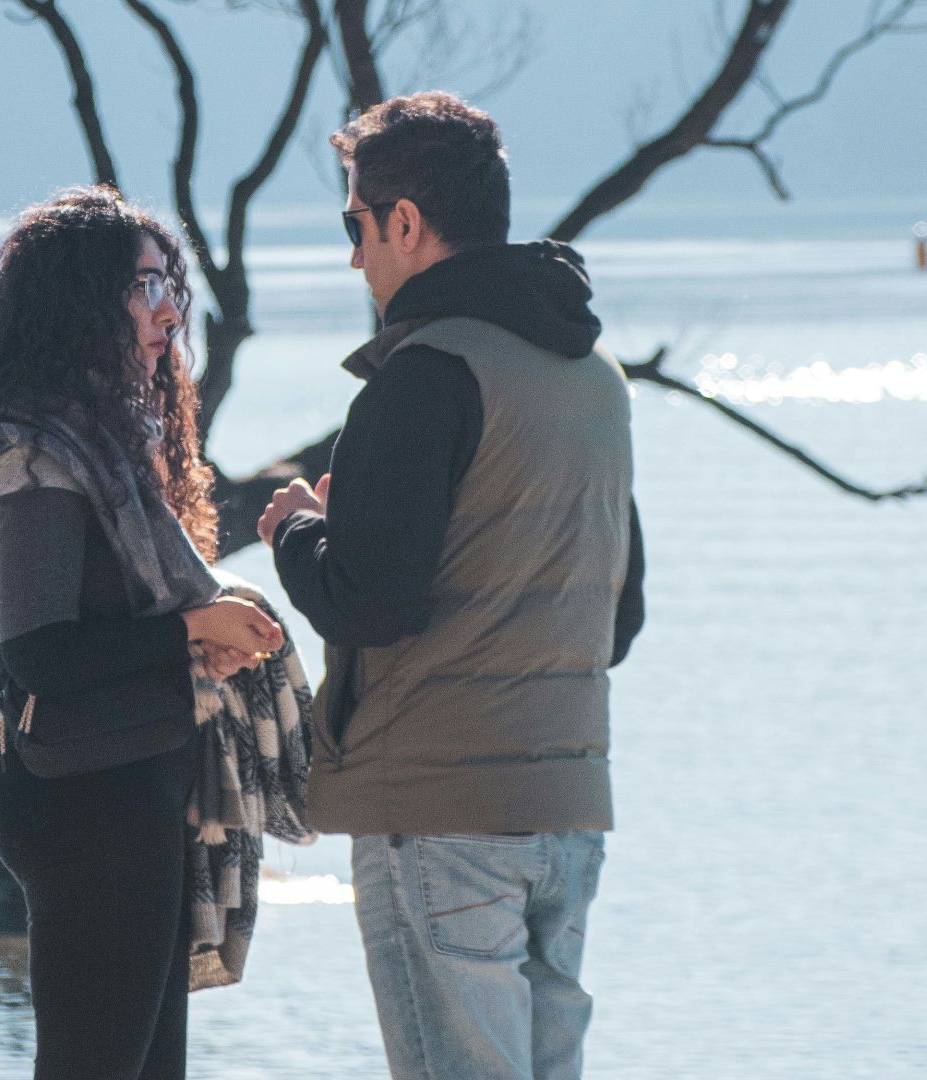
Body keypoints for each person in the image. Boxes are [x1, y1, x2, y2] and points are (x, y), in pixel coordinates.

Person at [257, 92, 647, 1080]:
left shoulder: (423, 374)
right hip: (566, 810)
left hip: (439, 815)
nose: (355, 257)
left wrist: (299, 530)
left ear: (403, 222)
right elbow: (621, 615)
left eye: (355, 224)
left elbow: (371, 604)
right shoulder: (593, 380)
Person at [0, 186, 288, 1080]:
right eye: (143, 286)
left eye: (170, 283)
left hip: (131, 782)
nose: (169, 309)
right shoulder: (39, 461)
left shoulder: (110, 443)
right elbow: (39, 651)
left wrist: (202, 635)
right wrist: (190, 631)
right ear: (76, 302)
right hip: (84, 796)